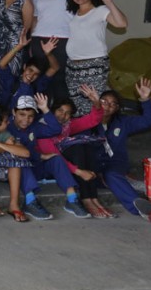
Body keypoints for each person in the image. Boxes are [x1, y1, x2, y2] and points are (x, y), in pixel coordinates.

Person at [35, 86, 113, 219]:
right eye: (59, 111)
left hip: (67, 164)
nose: (63, 115)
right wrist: (80, 172)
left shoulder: (67, 125)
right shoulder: (42, 127)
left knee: (86, 147)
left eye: (67, 113)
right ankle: (85, 198)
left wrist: (96, 103)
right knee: (77, 148)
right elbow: (55, 155)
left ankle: (93, 197)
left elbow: (92, 120)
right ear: (52, 111)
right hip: (50, 165)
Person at [8, 93, 85, 219]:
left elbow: (55, 129)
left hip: (35, 167)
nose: (26, 120)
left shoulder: (33, 126)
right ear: (14, 112)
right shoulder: (7, 126)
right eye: (22, 114)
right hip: (14, 171)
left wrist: (45, 109)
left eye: (30, 116)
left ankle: (72, 199)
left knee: (56, 158)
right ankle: (30, 201)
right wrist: (40, 156)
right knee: (20, 159)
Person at [97, 78, 151, 222]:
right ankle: (128, 182)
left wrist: (145, 99)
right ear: (96, 101)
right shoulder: (87, 121)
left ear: (117, 108)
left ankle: (142, 209)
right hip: (93, 166)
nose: (108, 106)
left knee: (111, 175)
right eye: (104, 101)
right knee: (99, 177)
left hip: (115, 164)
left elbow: (149, 121)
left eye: (113, 104)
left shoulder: (123, 122)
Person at [65, 0, 128, 116]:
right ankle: (80, 137)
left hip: (95, 65)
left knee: (94, 103)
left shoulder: (100, 10)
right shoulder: (74, 14)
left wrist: (108, 1)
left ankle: (97, 135)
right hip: (73, 67)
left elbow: (121, 24)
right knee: (75, 106)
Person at [30, 0, 74, 95]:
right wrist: (31, 41)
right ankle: (42, 113)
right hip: (40, 39)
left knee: (61, 79)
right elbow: (35, 17)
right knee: (41, 79)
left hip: (63, 38)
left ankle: (60, 114)